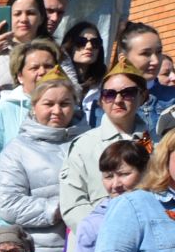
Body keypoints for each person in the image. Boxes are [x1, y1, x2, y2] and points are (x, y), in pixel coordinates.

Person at [0, 68, 83, 252]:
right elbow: (9, 205)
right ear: (34, 107)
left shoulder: (88, 142)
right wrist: (60, 208)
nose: (57, 111)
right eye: (48, 104)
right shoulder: (17, 150)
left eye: (64, 104)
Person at [60, 59, 149, 235]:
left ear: (143, 96)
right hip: (96, 244)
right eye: (109, 94)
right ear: (101, 100)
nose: (117, 100)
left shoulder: (159, 143)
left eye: (128, 93)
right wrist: (111, 233)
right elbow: (73, 206)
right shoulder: (84, 146)